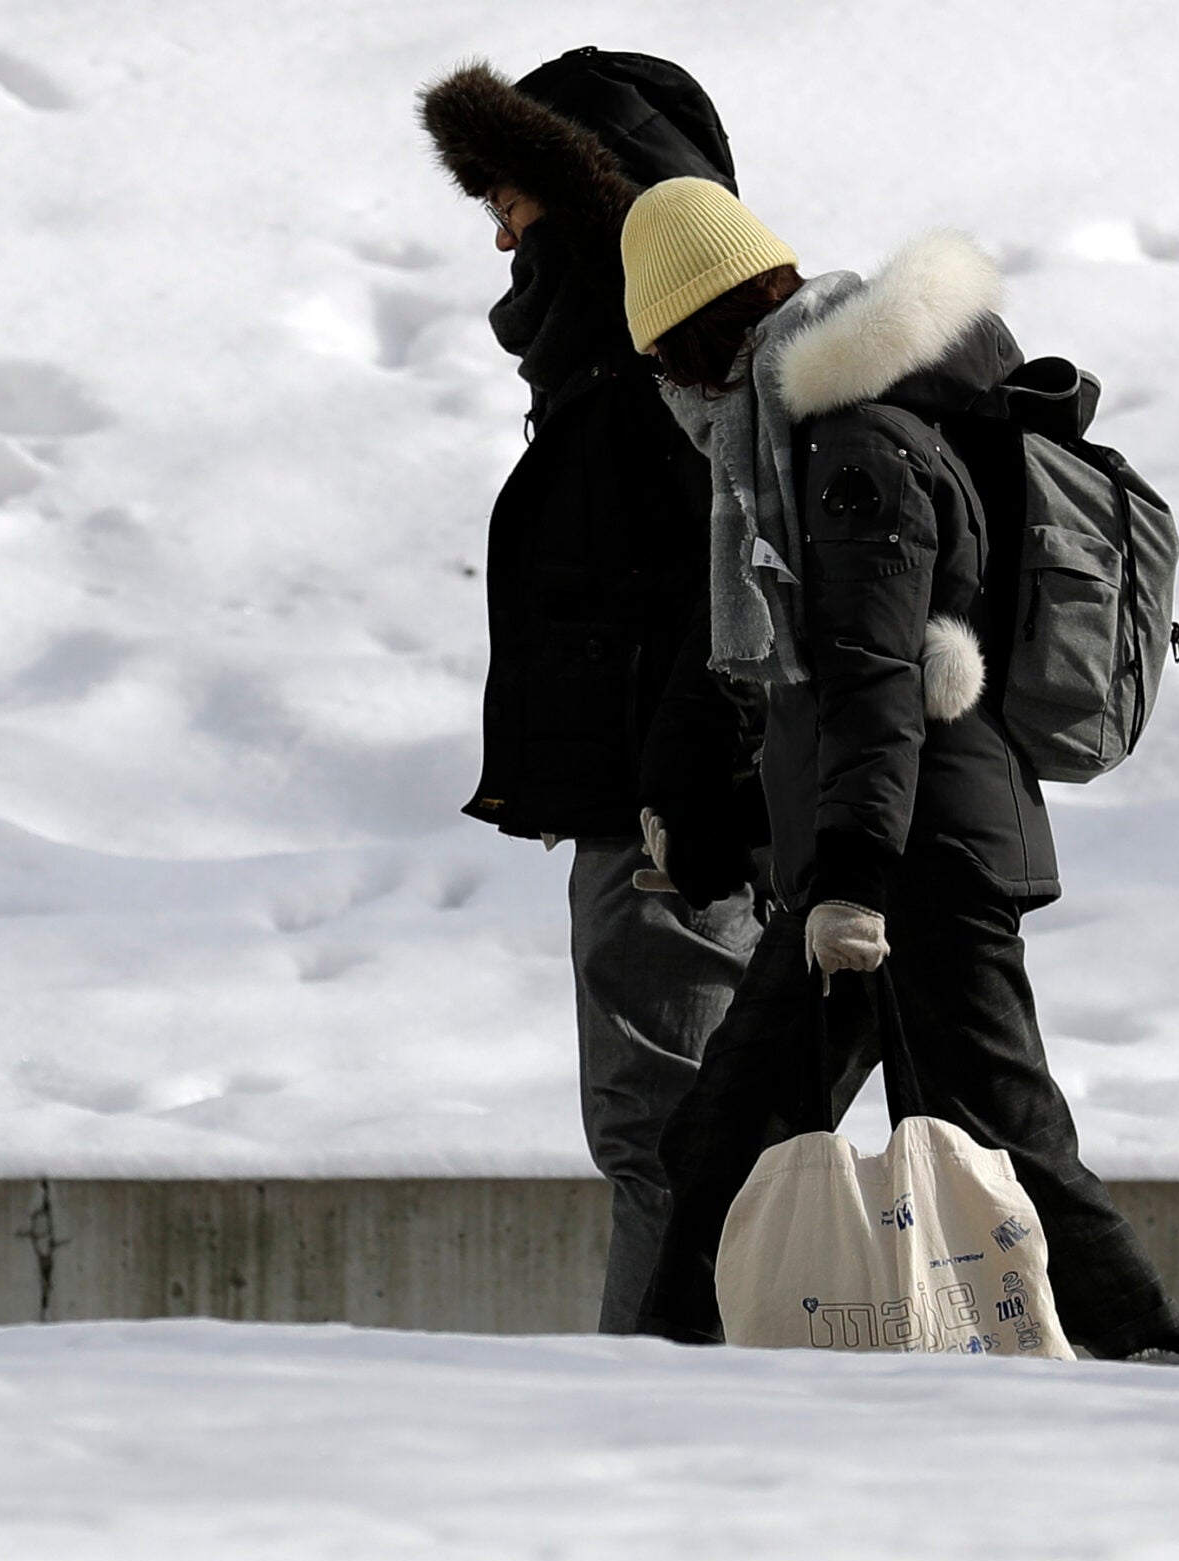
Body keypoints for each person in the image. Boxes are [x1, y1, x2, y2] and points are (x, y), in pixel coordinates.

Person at [614, 177, 1179, 1362]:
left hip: (913, 861)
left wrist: (845, 873)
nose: (671, 393)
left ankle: (1154, 1353)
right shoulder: (811, 435)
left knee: (1005, 1133)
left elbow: (871, 672)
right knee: (725, 1135)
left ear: (697, 335)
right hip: (873, 849)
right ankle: (664, 1370)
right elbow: (825, 687)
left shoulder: (853, 446)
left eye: (664, 363)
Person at [417, 51, 765, 1334]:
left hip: (676, 834)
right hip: (660, 815)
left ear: (579, 187)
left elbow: (724, 610)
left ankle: (661, 1413)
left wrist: (686, 804)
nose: (497, 231)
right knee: (679, 1139)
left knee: (662, 1139)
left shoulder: (664, 370)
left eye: (507, 197)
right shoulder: (623, 362)